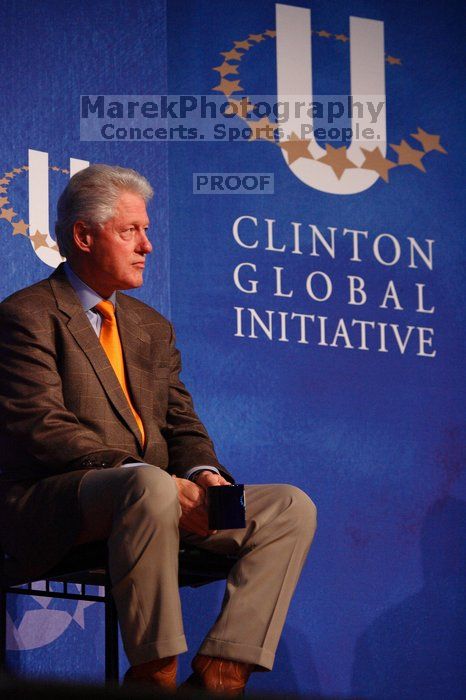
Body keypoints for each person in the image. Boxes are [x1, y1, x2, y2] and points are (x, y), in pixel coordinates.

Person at [0, 164, 317, 695]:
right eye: (131, 231)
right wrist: (154, 480)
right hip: (53, 503)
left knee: (288, 507)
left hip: (153, 498)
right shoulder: (26, 316)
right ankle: (154, 673)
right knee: (146, 485)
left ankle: (222, 673)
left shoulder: (151, 326)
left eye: (147, 231)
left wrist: (204, 474)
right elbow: (40, 428)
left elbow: (181, 423)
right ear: (83, 235)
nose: (147, 245)